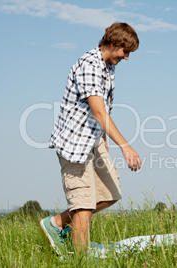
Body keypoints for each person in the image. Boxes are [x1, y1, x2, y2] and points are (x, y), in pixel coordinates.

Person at [40, 22, 141, 254]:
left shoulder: (108, 67)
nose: (127, 58)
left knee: (111, 193)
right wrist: (125, 146)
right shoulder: (89, 65)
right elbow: (98, 110)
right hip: (75, 144)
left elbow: (103, 110)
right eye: (125, 52)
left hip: (94, 140)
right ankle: (80, 258)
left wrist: (104, 137)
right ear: (113, 43)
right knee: (83, 204)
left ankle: (56, 223)